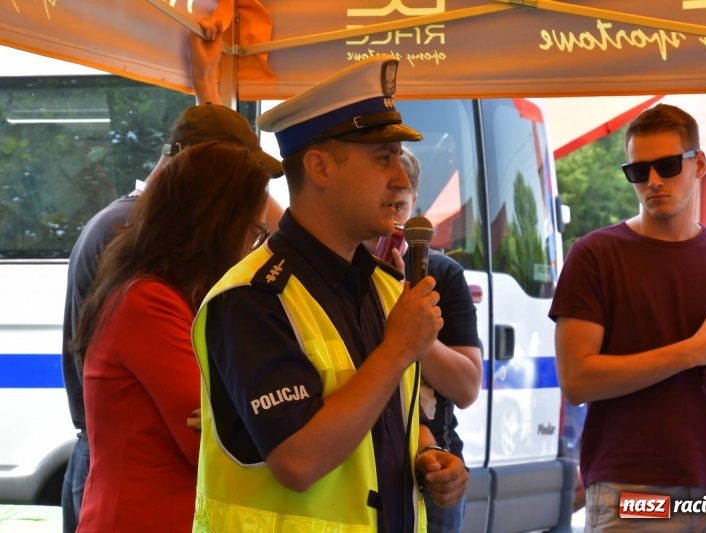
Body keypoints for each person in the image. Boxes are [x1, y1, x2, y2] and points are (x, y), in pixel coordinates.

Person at [191, 54, 469, 532]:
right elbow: (297, 459)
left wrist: (428, 453)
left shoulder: (384, 287)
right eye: (383, 159)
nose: (402, 180)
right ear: (319, 167)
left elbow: (381, 422)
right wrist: (399, 349)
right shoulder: (251, 298)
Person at [59, 21, 282, 531]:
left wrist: (208, 88)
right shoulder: (147, 296)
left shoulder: (159, 276)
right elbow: (214, 439)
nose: (253, 238)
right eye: (247, 223)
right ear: (214, 212)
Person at [549, 103, 706, 532]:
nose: (653, 181)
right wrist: (693, 352)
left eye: (667, 165)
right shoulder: (596, 256)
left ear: (699, 165)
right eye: (639, 171)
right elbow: (577, 380)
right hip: (632, 489)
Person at [371, 147, 482, 532]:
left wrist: (405, 310)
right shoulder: (340, 273)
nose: (391, 223)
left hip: (434, 468)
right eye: (382, 204)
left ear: (415, 206)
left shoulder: (444, 274)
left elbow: (467, 388)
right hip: (361, 463)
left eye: (399, 207)